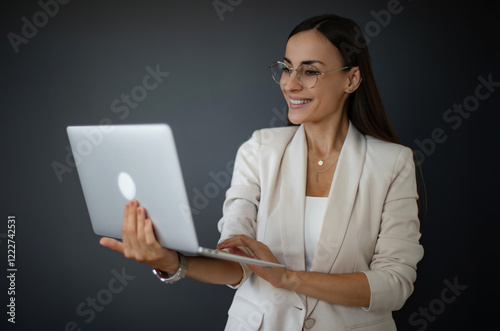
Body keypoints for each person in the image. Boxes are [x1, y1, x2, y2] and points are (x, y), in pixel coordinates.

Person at [100, 14, 424, 331]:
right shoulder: (259, 150)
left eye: (310, 71)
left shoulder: (392, 162)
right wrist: (172, 263)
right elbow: (237, 263)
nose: (290, 83)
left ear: (351, 79)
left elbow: (394, 284)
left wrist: (289, 278)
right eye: (286, 68)